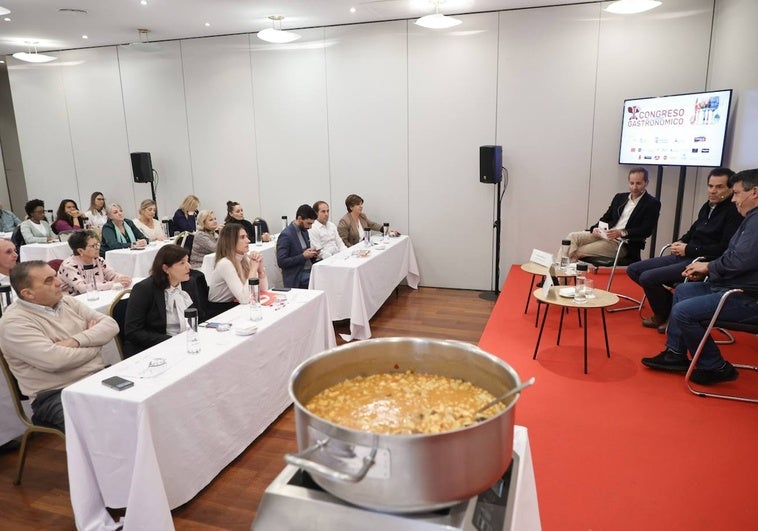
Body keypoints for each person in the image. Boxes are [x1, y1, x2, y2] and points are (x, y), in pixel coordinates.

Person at [641, 169, 758, 385]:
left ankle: (715, 366)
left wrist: (708, 267)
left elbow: (738, 260)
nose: (734, 199)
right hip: (729, 284)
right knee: (684, 290)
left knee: (684, 311)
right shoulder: (749, 219)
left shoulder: (755, 223)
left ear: (755, 193)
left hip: (747, 296)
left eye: (737, 193)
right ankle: (675, 353)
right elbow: (733, 256)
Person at [0, 261, 119, 431]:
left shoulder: (67, 302)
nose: (58, 282)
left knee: (145, 401)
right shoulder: (14, 323)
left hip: (97, 376)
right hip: (55, 394)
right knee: (103, 428)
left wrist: (75, 341)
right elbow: (55, 360)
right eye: (48, 280)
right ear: (28, 294)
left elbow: (111, 325)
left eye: (55, 275)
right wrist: (96, 343)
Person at [628, 168, 742, 330]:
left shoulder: (734, 212)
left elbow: (723, 248)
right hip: (686, 254)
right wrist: (680, 242)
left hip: (701, 261)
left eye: (719, 187)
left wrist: (688, 249)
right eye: (710, 186)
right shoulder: (707, 206)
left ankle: (665, 314)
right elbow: (693, 231)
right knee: (634, 270)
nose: (713, 191)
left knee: (648, 277)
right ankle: (670, 310)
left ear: (731, 189)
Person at [123, 244, 206, 357]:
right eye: (182, 263)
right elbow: (133, 331)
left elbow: (199, 317)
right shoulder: (144, 289)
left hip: (187, 343)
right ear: (165, 268)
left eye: (188, 261)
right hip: (156, 348)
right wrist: (172, 341)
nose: (189, 266)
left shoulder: (189, 283)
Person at [563, 168, 661, 260]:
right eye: (631, 183)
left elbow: (646, 230)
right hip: (605, 234)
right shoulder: (620, 197)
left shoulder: (652, 203)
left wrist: (621, 232)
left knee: (576, 251)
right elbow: (606, 217)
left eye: (638, 183)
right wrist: (595, 228)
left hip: (622, 243)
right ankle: (557, 275)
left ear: (646, 183)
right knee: (571, 238)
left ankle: (560, 276)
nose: (634, 187)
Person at [56, 230, 132, 295]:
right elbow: (82, 289)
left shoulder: (98, 260)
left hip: (99, 296)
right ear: (80, 250)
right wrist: (113, 283)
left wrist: (123, 278)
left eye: (98, 244)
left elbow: (112, 275)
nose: (98, 248)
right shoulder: (69, 265)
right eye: (93, 246)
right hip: (75, 302)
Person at [208, 223, 267, 304]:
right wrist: (253, 269)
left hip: (235, 304)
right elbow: (245, 299)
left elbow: (263, 291)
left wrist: (260, 271)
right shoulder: (225, 263)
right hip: (220, 310)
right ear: (230, 241)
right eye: (242, 237)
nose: (248, 241)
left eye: (247, 236)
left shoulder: (244, 258)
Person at [277, 205, 318, 289]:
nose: (310, 227)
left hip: (308, 268)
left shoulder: (304, 231)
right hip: (296, 275)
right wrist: (303, 256)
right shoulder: (286, 235)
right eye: (309, 223)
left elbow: (304, 252)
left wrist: (313, 253)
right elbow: (281, 262)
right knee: (321, 280)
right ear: (300, 219)